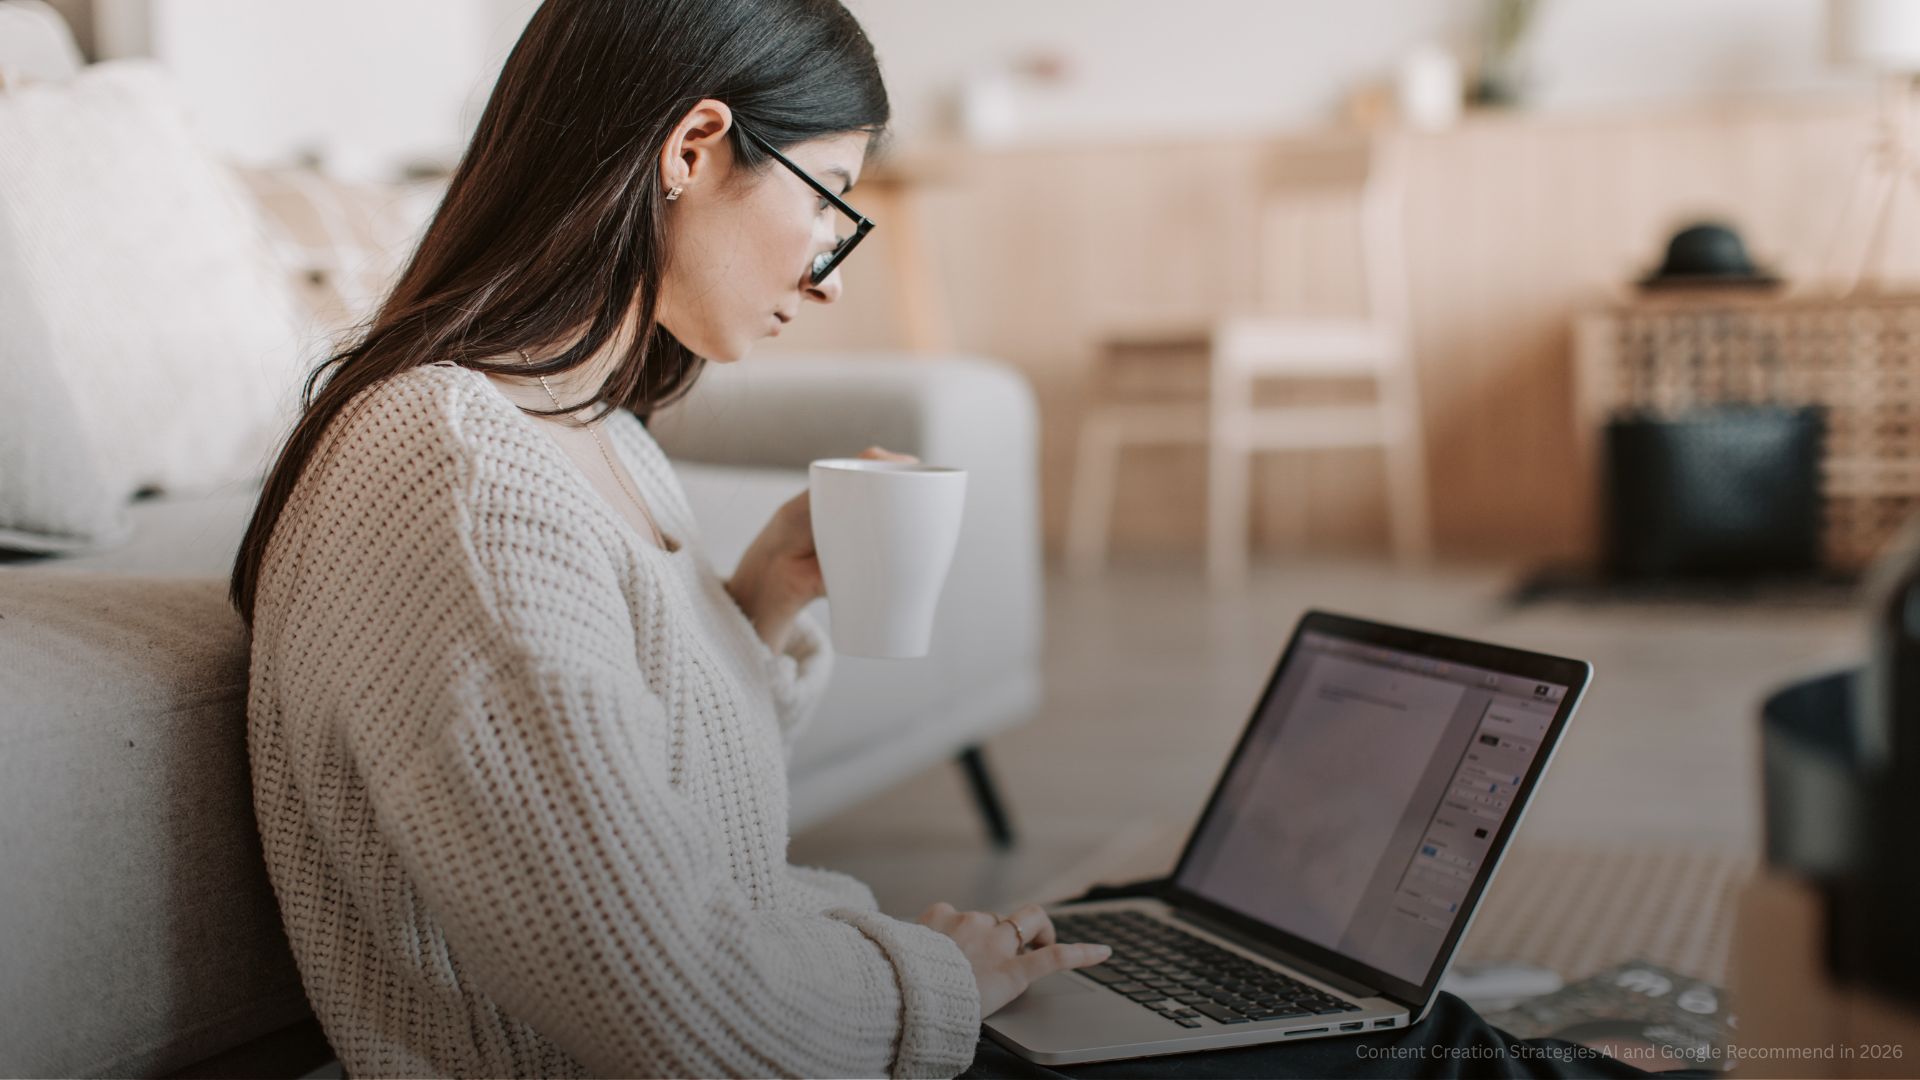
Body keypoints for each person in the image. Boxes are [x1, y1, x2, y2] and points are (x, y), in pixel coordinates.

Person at [229, 1, 1675, 1076]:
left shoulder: (589, 436)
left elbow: (646, 830)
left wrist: (757, 607)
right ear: (693, 147)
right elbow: (676, 1013)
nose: (832, 274)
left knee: (1186, 962)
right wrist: (933, 985)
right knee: (1393, 1050)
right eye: (831, 203)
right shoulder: (460, 471)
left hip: (799, 1018)